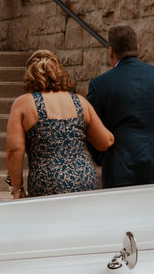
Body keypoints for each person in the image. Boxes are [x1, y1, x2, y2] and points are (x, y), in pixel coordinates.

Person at [6, 50, 114, 198]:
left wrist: (17, 188)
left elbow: (14, 149)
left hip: (48, 180)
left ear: (30, 76)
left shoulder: (23, 103)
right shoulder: (80, 101)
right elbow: (105, 141)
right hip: (84, 177)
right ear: (60, 73)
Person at [86, 24, 154, 187]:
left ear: (111, 52)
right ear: (137, 48)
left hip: (122, 166)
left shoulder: (100, 85)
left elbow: (91, 128)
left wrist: (102, 158)